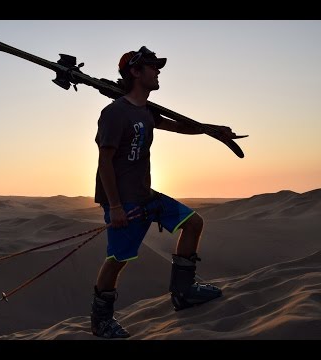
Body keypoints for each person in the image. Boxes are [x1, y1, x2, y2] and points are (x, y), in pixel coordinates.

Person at [90, 46, 238, 339]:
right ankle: (101, 321)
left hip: (147, 195)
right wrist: (116, 207)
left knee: (194, 223)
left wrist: (211, 130)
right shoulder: (114, 113)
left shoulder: (146, 112)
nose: (158, 72)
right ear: (135, 72)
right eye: (152, 67)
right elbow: (104, 162)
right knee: (118, 260)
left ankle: (183, 292)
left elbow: (179, 126)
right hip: (125, 201)